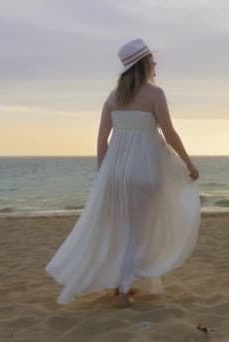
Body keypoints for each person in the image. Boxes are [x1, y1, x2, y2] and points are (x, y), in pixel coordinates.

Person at [46, 38, 200, 307]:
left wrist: (102, 174)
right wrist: (188, 163)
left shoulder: (113, 97)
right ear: (143, 64)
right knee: (139, 232)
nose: (155, 63)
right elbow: (170, 133)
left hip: (115, 173)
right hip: (145, 171)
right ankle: (124, 286)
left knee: (120, 229)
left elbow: (102, 140)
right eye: (152, 59)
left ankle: (121, 284)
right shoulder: (155, 94)